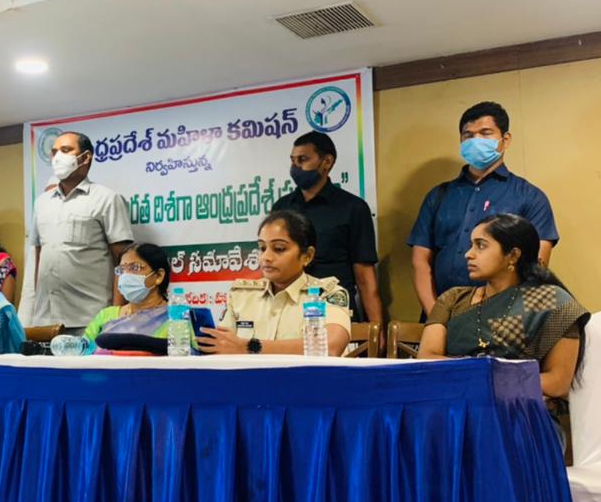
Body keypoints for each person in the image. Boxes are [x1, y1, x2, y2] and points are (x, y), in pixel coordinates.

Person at [419, 213, 588, 446]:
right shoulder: (453, 299)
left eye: (481, 245)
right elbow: (427, 358)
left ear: (513, 255)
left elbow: (557, 382)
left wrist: (484, 379)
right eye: (471, 245)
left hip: (524, 416)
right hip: (455, 410)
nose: (468, 254)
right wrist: (492, 376)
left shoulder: (552, 302)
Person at [408, 101, 558, 317]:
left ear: (505, 140)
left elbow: (536, 267)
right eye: (468, 135)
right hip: (439, 317)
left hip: (502, 319)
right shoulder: (438, 195)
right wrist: (437, 318)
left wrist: (506, 321)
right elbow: (420, 261)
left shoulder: (530, 197)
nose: (476, 140)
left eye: (486, 133)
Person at [199, 210, 351, 355]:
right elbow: (222, 346)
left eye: (279, 249)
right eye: (262, 248)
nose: (266, 257)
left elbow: (330, 347)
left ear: (307, 256)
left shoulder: (325, 294)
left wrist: (247, 347)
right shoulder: (242, 295)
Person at [271, 131, 383, 327]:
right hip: (289, 311)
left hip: (335, 311)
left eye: (303, 159)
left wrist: (376, 328)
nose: (296, 167)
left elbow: (364, 276)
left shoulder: (353, 208)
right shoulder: (282, 208)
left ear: (327, 162)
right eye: (293, 160)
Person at [29, 131, 134, 332]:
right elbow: (40, 257)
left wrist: (115, 315)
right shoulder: (41, 203)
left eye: (66, 150)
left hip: (89, 319)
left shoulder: (106, 199)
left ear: (85, 157)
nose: (58, 157)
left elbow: (123, 261)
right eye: (54, 152)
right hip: (46, 319)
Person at [83, 242, 171, 342]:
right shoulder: (106, 316)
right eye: (122, 270)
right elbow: (82, 348)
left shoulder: (175, 318)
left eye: (135, 268)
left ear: (159, 276)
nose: (126, 275)